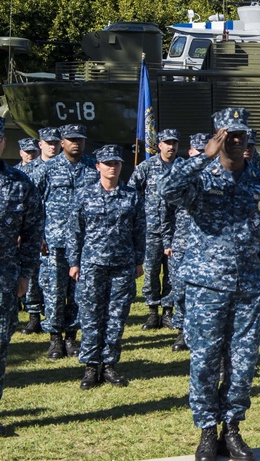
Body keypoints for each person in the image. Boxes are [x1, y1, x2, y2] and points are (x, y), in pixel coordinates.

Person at [160, 109, 260, 461]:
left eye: (242, 134)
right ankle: (207, 432)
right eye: (229, 134)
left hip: (248, 288)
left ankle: (233, 429)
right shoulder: (200, 179)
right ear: (217, 137)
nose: (237, 140)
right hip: (206, 286)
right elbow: (167, 189)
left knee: (243, 364)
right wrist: (201, 160)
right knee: (206, 361)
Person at [68, 145, 145, 390]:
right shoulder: (84, 194)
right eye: (107, 163)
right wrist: (74, 261)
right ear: (97, 166)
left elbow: (139, 231)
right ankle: (91, 366)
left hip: (122, 265)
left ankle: (110, 364)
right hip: (92, 265)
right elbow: (75, 231)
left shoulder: (131, 195)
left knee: (116, 316)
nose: (112, 167)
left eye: (116, 163)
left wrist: (138, 261)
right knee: (90, 316)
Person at [35, 123, 98, 360]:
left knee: (79, 292)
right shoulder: (48, 168)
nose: (76, 143)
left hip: (85, 243)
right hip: (54, 241)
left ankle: (71, 337)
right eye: (71, 139)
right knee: (54, 290)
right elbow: (34, 203)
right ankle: (54, 339)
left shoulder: (93, 167)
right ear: (62, 142)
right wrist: (38, 235)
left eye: (80, 139)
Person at [0, 117, 44, 437]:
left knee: (0, 347)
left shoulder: (19, 182)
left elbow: (32, 232)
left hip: (4, 277)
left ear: (3, 142)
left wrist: (26, 274)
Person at [129, 128, 180, 331]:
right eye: (167, 142)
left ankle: (168, 311)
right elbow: (132, 192)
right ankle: (152, 312)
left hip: (177, 230)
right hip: (151, 229)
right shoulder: (147, 167)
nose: (171, 146)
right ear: (159, 145)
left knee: (172, 273)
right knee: (150, 272)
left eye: (174, 143)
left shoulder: (183, 168)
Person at [164, 132, 210, 353]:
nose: (201, 156)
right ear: (191, 152)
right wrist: (167, 240)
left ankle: (202, 333)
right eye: (198, 152)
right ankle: (182, 331)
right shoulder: (181, 175)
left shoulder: (216, 176)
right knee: (180, 290)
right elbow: (165, 210)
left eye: (205, 152)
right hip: (181, 243)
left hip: (207, 246)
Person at [20, 126, 61, 335]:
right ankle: (34, 315)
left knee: (55, 278)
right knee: (33, 275)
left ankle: (54, 318)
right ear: (40, 144)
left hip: (58, 232)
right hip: (35, 231)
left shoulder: (62, 167)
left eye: (56, 142)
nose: (52, 146)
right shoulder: (27, 171)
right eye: (49, 143)